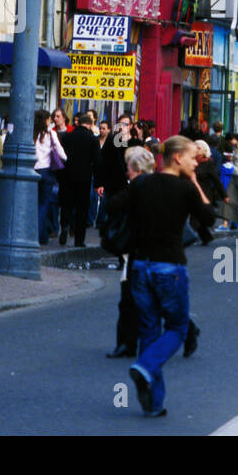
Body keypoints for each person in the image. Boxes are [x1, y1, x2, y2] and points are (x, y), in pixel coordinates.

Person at [119, 136, 214, 418]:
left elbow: (114, 207)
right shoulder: (185, 188)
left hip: (139, 266)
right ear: (177, 158)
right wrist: (195, 182)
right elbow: (208, 217)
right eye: (192, 158)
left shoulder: (142, 184)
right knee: (177, 328)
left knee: (149, 329)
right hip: (169, 267)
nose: (195, 162)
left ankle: (153, 402)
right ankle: (146, 367)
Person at [103, 145, 156, 359]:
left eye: (129, 168)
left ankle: (126, 342)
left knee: (132, 298)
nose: (127, 172)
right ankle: (127, 341)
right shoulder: (154, 186)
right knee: (149, 297)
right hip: (147, 249)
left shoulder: (137, 187)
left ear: (138, 170)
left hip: (139, 250)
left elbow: (113, 205)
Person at [58, 113, 100, 247]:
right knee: (82, 208)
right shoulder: (93, 140)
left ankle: (64, 225)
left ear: (78, 123)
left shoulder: (67, 137)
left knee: (67, 204)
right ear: (89, 125)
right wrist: (98, 182)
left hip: (67, 176)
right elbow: (97, 162)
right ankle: (79, 239)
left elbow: (61, 156)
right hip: (84, 178)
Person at [34, 109, 66, 245]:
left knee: (33, 204)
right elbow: (63, 155)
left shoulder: (31, 133)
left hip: (31, 171)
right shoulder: (51, 134)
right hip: (46, 172)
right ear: (46, 120)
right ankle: (41, 235)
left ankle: (34, 232)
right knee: (44, 204)